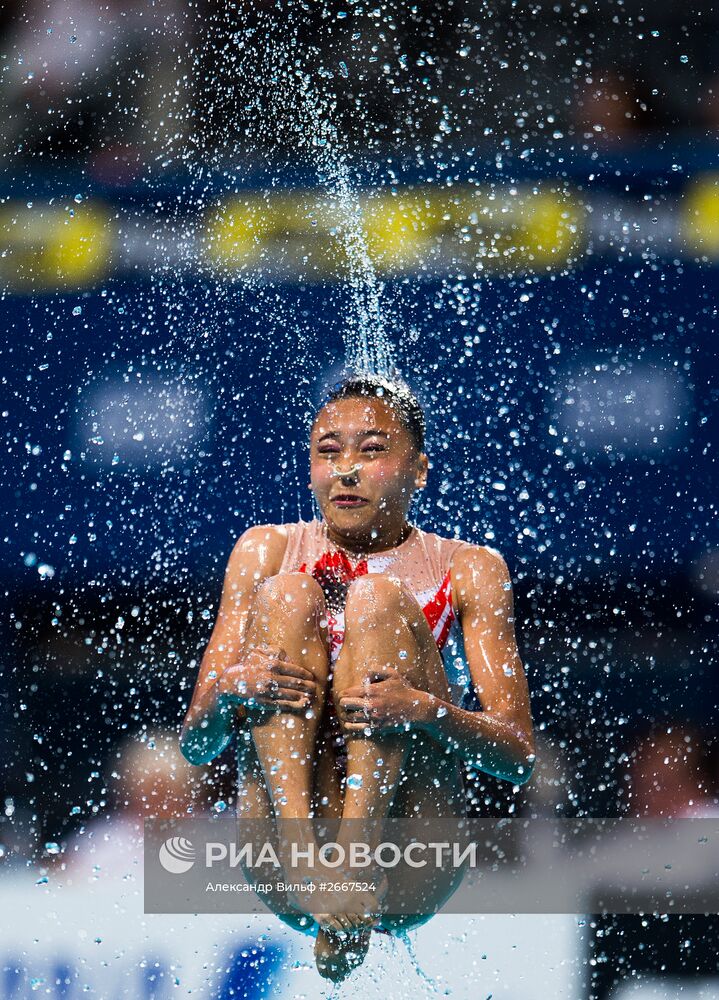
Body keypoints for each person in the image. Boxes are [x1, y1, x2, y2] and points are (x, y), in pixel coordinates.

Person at [179, 374, 536, 980]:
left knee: (377, 601)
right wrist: (230, 688)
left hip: (407, 857)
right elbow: (197, 742)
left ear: (418, 470)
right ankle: (317, 865)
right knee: (288, 596)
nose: (345, 469)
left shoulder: (469, 568)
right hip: (288, 863)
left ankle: (352, 860)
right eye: (328, 451)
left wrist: (425, 709)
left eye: (371, 451)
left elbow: (517, 757)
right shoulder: (264, 551)